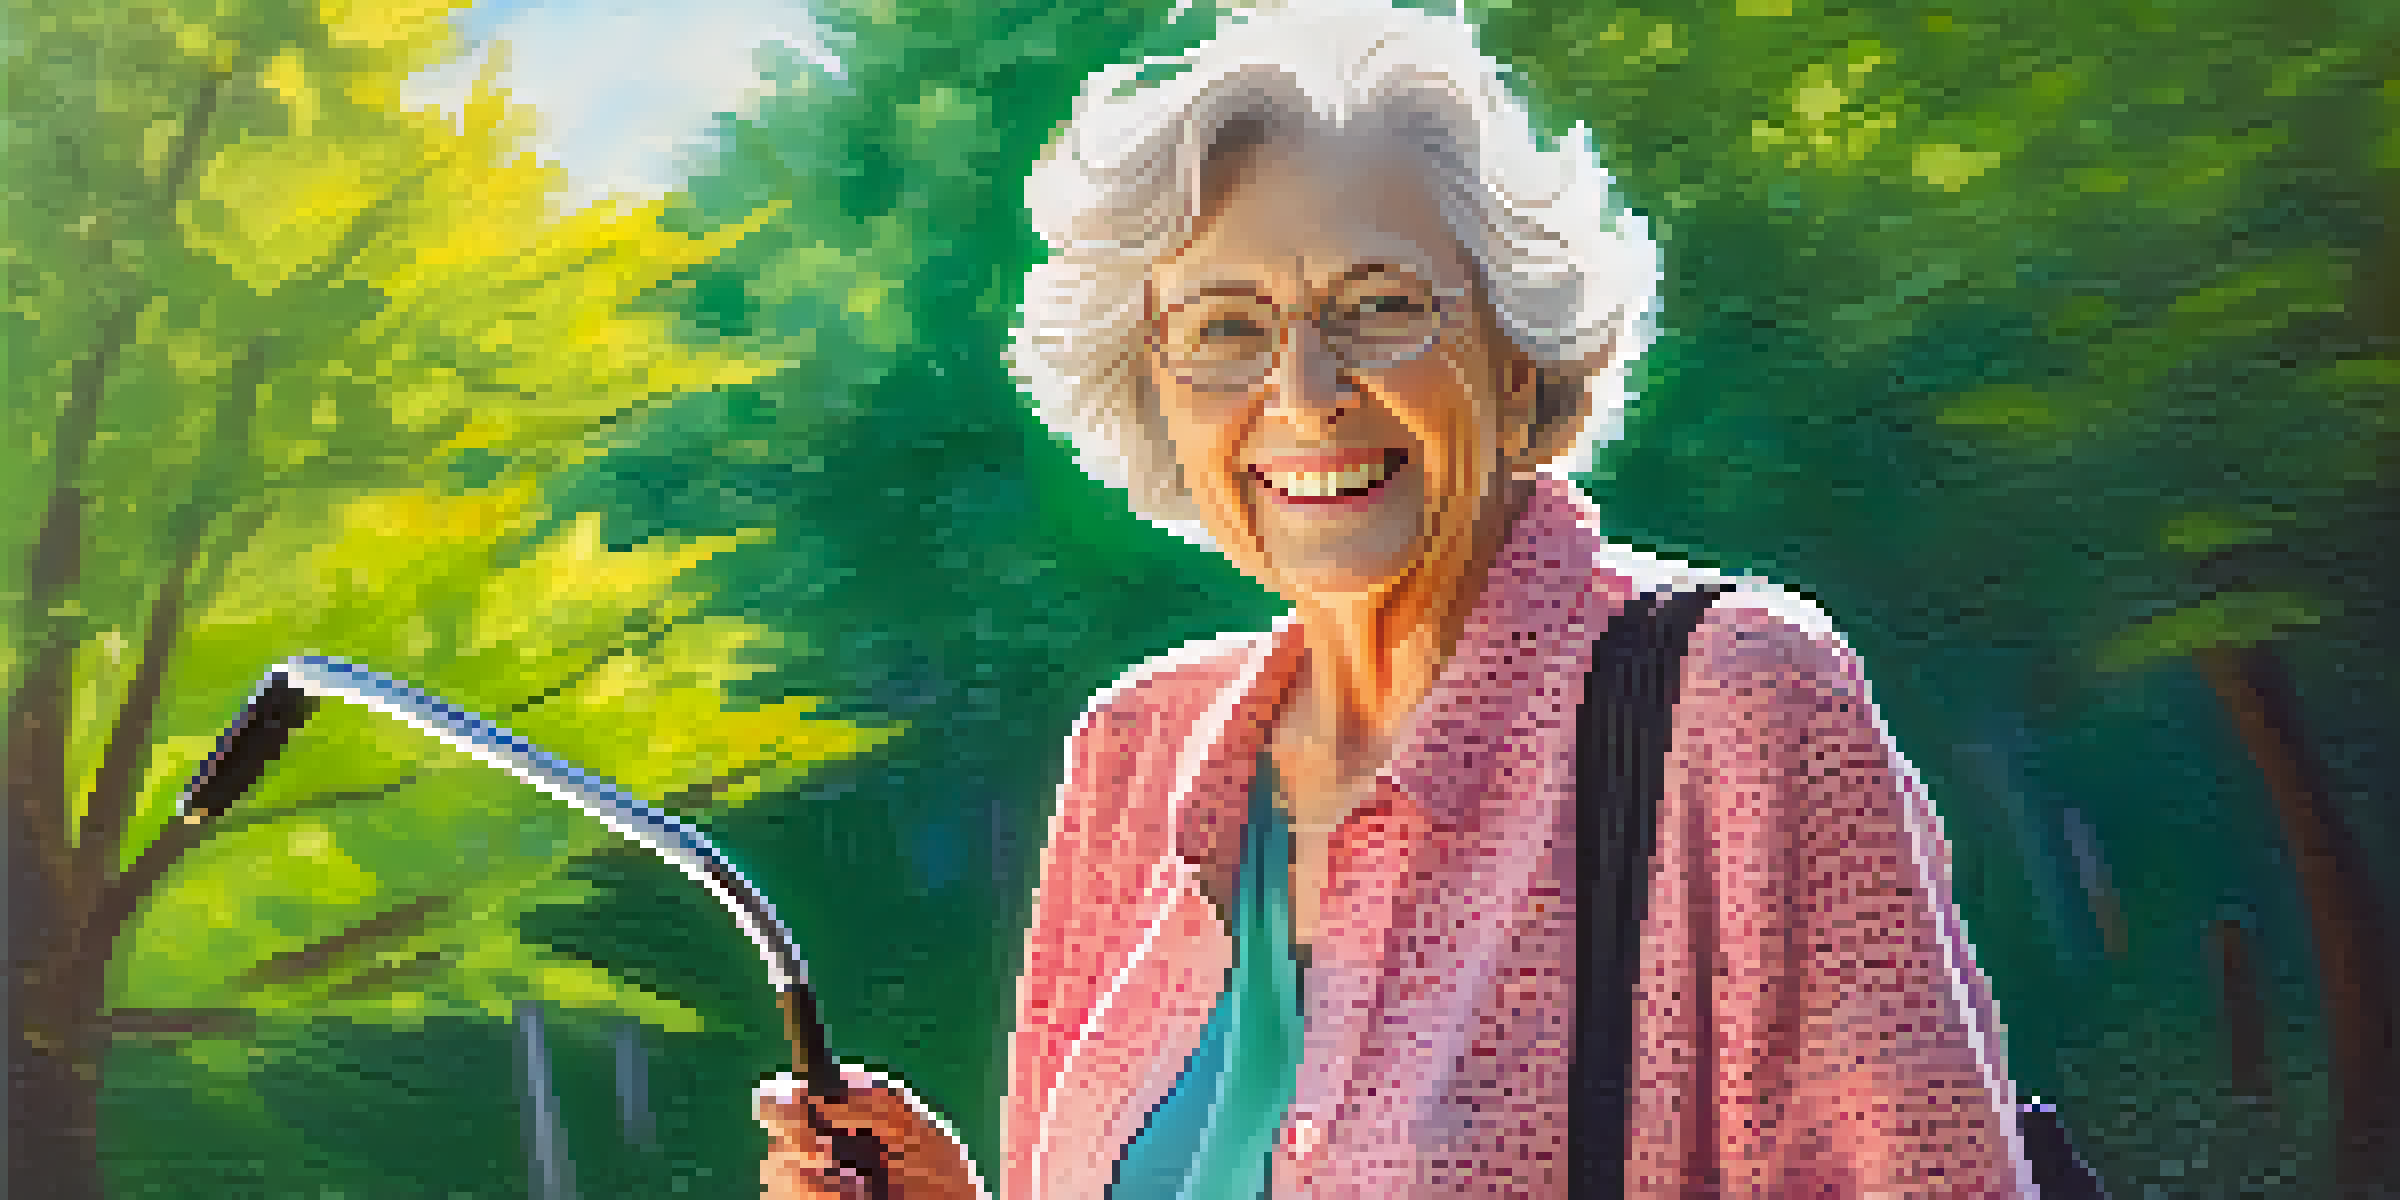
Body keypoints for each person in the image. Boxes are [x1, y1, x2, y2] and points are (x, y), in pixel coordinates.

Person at [759, 2, 2036, 1196]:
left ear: (1523, 361)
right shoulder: (1133, 755)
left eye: (1379, 306)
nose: (1304, 390)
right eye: (1223, 327)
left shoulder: (1735, 703)